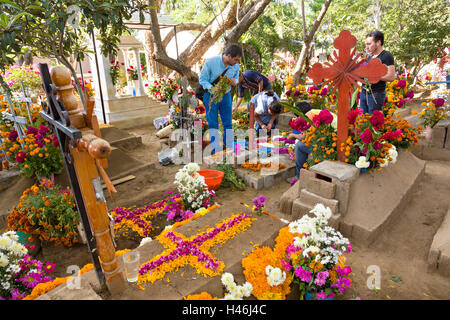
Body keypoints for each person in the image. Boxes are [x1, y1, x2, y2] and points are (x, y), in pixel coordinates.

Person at [199, 44, 242, 154]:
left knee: (228, 123)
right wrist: (212, 89)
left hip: (226, 95)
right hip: (210, 96)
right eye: (235, 59)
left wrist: (235, 81)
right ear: (228, 56)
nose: (237, 62)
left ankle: (229, 149)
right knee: (213, 124)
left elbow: (236, 78)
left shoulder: (236, 66)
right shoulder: (210, 62)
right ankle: (216, 150)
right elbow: (203, 80)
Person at [288, 102, 336, 178]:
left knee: (299, 146)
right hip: (334, 142)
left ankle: (300, 176)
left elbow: (304, 137)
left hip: (329, 147)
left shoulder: (308, 116)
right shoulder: (315, 112)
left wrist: (293, 135)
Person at [360, 30, 396, 115]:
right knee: (363, 121)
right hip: (364, 93)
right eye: (366, 44)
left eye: (369, 44)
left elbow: (391, 77)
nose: (366, 47)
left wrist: (375, 77)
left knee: (374, 122)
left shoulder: (386, 56)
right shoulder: (369, 56)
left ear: (378, 42)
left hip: (376, 95)